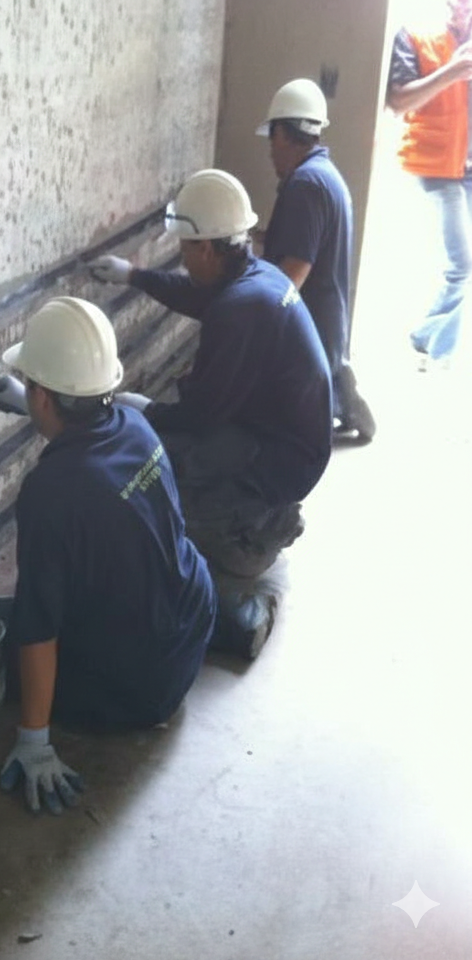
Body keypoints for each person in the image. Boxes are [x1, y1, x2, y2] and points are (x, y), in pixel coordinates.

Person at [90, 169, 332, 658]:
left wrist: (144, 410)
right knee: (175, 453)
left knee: (157, 500)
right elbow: (197, 296)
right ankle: (263, 518)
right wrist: (134, 275)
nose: (182, 256)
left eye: (185, 247)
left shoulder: (241, 309)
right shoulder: (257, 276)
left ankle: (249, 546)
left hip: (284, 460)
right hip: (290, 440)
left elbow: (200, 416)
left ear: (205, 248)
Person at [0, 296, 216, 815]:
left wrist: (34, 738)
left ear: (43, 397)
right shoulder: (135, 425)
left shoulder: (50, 492)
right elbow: (90, 450)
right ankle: (234, 623)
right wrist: (28, 402)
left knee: (2, 640)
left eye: (31, 388)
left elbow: (39, 628)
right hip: (191, 625)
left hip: (140, 693)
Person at [257, 78, 376, 443]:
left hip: (311, 327)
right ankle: (341, 396)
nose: (270, 152)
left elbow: (292, 276)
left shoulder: (305, 186)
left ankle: (336, 405)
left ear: (282, 133)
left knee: (285, 425)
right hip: (328, 321)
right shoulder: (325, 175)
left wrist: (250, 314)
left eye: (272, 140)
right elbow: (304, 242)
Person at [387, 0, 472, 368]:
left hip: (467, 166)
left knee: (460, 268)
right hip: (436, 165)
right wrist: (451, 72)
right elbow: (398, 102)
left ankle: (435, 347)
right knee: (460, 265)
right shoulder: (416, 34)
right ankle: (429, 346)